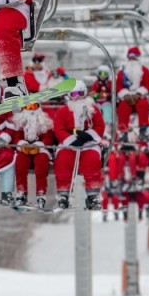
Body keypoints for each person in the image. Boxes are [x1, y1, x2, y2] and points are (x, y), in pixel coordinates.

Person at [52, 79, 106, 210]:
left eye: (79, 94)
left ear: (85, 94)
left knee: (92, 160)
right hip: (69, 143)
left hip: (88, 143)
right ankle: (63, 194)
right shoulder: (63, 111)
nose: (76, 97)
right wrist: (71, 140)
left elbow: (100, 125)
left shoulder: (92, 109)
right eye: (73, 94)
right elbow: (59, 128)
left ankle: (93, 195)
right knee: (63, 160)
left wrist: (88, 135)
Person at [10, 99, 55, 209]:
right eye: (28, 107)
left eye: (33, 106)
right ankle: (21, 191)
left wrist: (39, 145)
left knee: (41, 164)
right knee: (20, 164)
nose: (31, 110)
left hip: (40, 149)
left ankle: (41, 192)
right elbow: (16, 137)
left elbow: (48, 137)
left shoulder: (44, 121)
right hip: (24, 148)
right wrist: (22, 144)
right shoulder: (20, 121)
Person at [116, 45, 149, 136]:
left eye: (134, 58)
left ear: (138, 58)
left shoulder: (145, 71)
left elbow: (148, 84)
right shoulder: (122, 72)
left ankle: (143, 130)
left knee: (143, 104)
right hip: (126, 97)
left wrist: (138, 94)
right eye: (130, 58)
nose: (132, 60)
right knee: (123, 107)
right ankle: (123, 132)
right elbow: (118, 86)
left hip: (140, 96)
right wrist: (126, 95)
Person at [90, 64, 115, 132]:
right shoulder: (96, 83)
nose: (102, 76)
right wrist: (97, 95)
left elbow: (112, 93)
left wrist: (106, 95)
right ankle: (95, 126)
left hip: (106, 102)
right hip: (97, 103)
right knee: (94, 111)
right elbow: (93, 94)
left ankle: (107, 125)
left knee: (107, 110)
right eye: (101, 73)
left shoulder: (109, 83)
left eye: (104, 74)